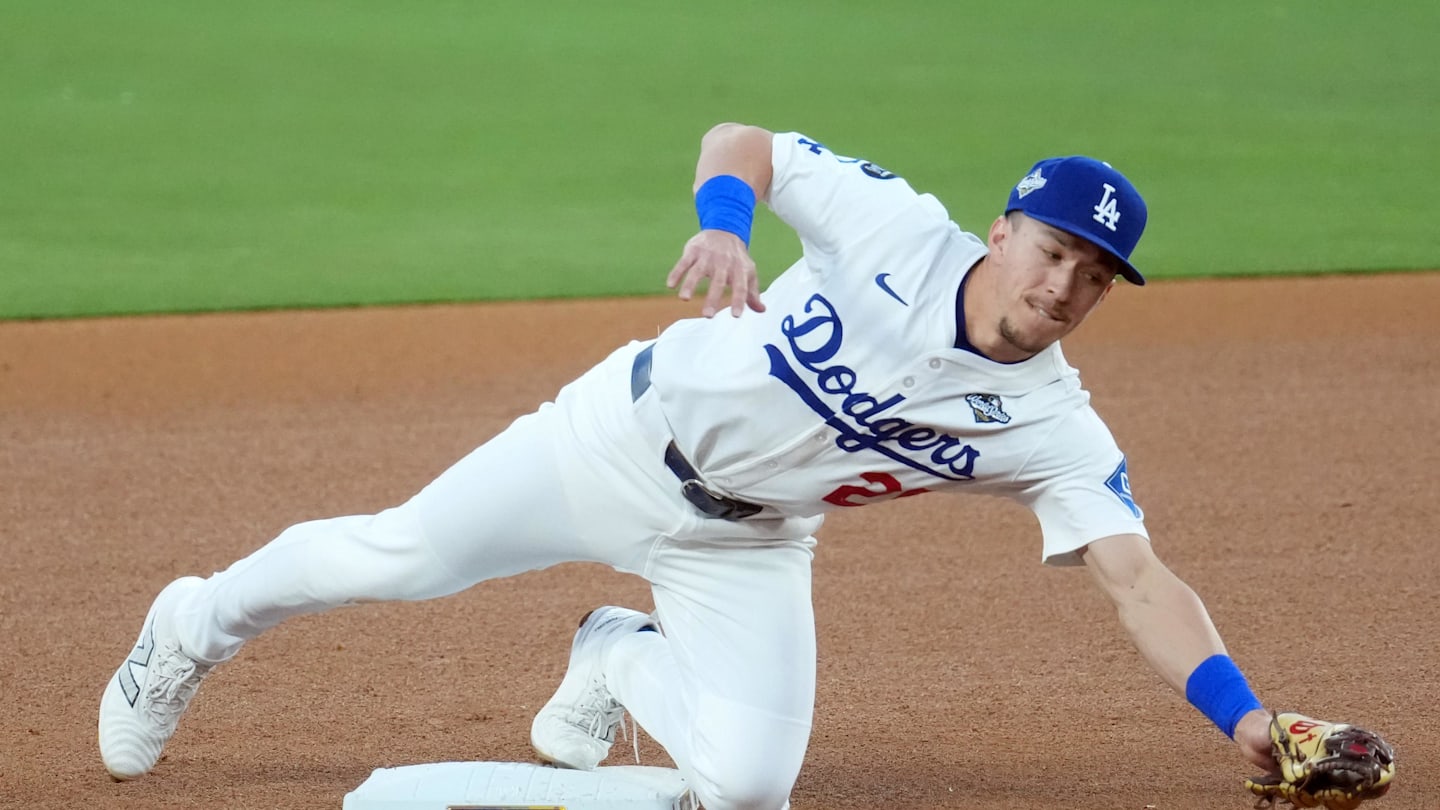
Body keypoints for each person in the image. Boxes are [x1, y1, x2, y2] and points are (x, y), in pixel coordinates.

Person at [99, 123, 1281, 809]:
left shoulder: (1050, 425)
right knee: (398, 556)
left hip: (749, 541)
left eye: (1095, 276)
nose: (1065, 288)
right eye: (1056, 252)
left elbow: (1136, 578)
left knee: (750, 790)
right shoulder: (894, 228)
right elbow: (746, 142)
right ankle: (190, 626)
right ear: (1001, 230)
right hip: (613, 441)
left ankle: (615, 654)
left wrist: (1244, 718)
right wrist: (727, 219)